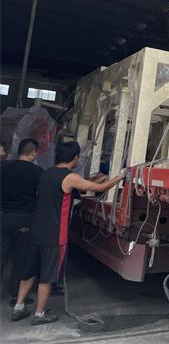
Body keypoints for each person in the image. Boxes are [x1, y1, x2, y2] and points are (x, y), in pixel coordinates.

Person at [11, 141, 122, 325]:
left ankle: (19, 307)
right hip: (55, 234)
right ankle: (39, 314)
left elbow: (81, 186)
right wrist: (120, 177)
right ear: (75, 157)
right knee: (47, 276)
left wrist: (96, 178)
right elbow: (99, 189)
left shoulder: (46, 173)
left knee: (29, 272)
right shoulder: (70, 177)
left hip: (36, 231)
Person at [0, 138, 43, 306]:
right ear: (33, 153)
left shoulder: (3, 168)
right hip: (24, 218)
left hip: (2, 216)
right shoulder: (37, 172)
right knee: (20, 257)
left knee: (1, 254)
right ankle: (15, 295)